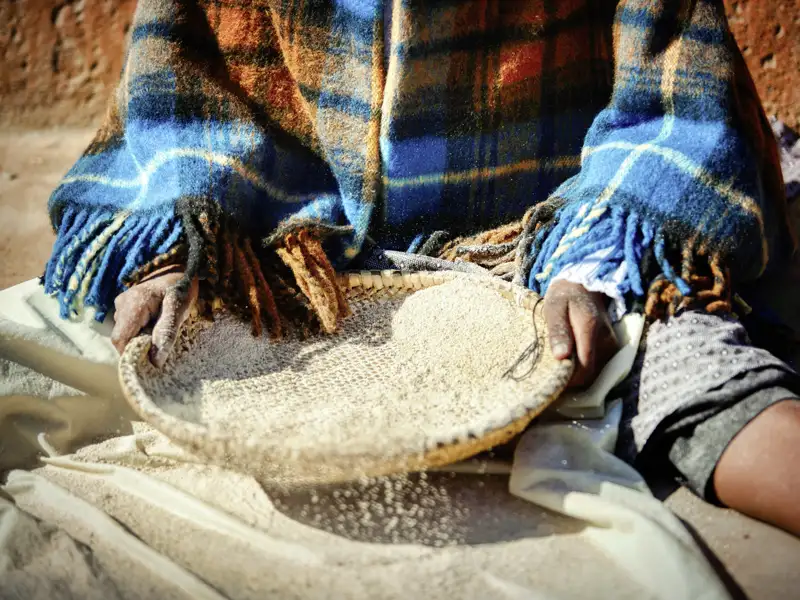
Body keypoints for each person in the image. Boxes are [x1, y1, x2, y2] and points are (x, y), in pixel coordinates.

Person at [24, 0, 800, 536]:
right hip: (288, 245)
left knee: (698, 380)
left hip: (547, 234)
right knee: (39, 348)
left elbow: (672, 99)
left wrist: (598, 267)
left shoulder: (584, 251)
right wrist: (174, 248)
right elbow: (181, 86)